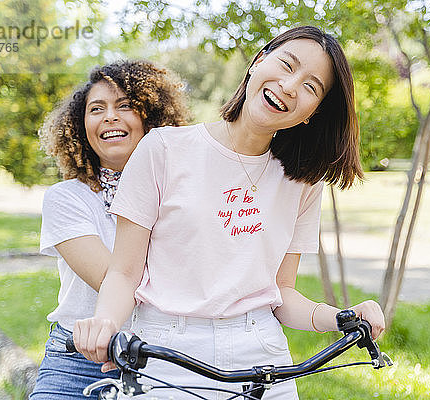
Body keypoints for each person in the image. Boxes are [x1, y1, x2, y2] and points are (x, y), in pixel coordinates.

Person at [74, 26, 386, 399]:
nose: (290, 86)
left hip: (262, 357)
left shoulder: (303, 182)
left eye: (310, 87)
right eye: (286, 65)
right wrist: (105, 322)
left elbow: (282, 292)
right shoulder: (164, 149)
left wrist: (340, 318)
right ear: (257, 62)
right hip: (167, 353)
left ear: (312, 114)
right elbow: (124, 273)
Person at [29, 60, 188, 400]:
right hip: (77, 358)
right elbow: (115, 278)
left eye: (125, 105)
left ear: (153, 118)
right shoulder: (66, 198)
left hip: (161, 354)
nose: (110, 116)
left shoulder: (182, 196)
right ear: (80, 126)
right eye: (96, 109)